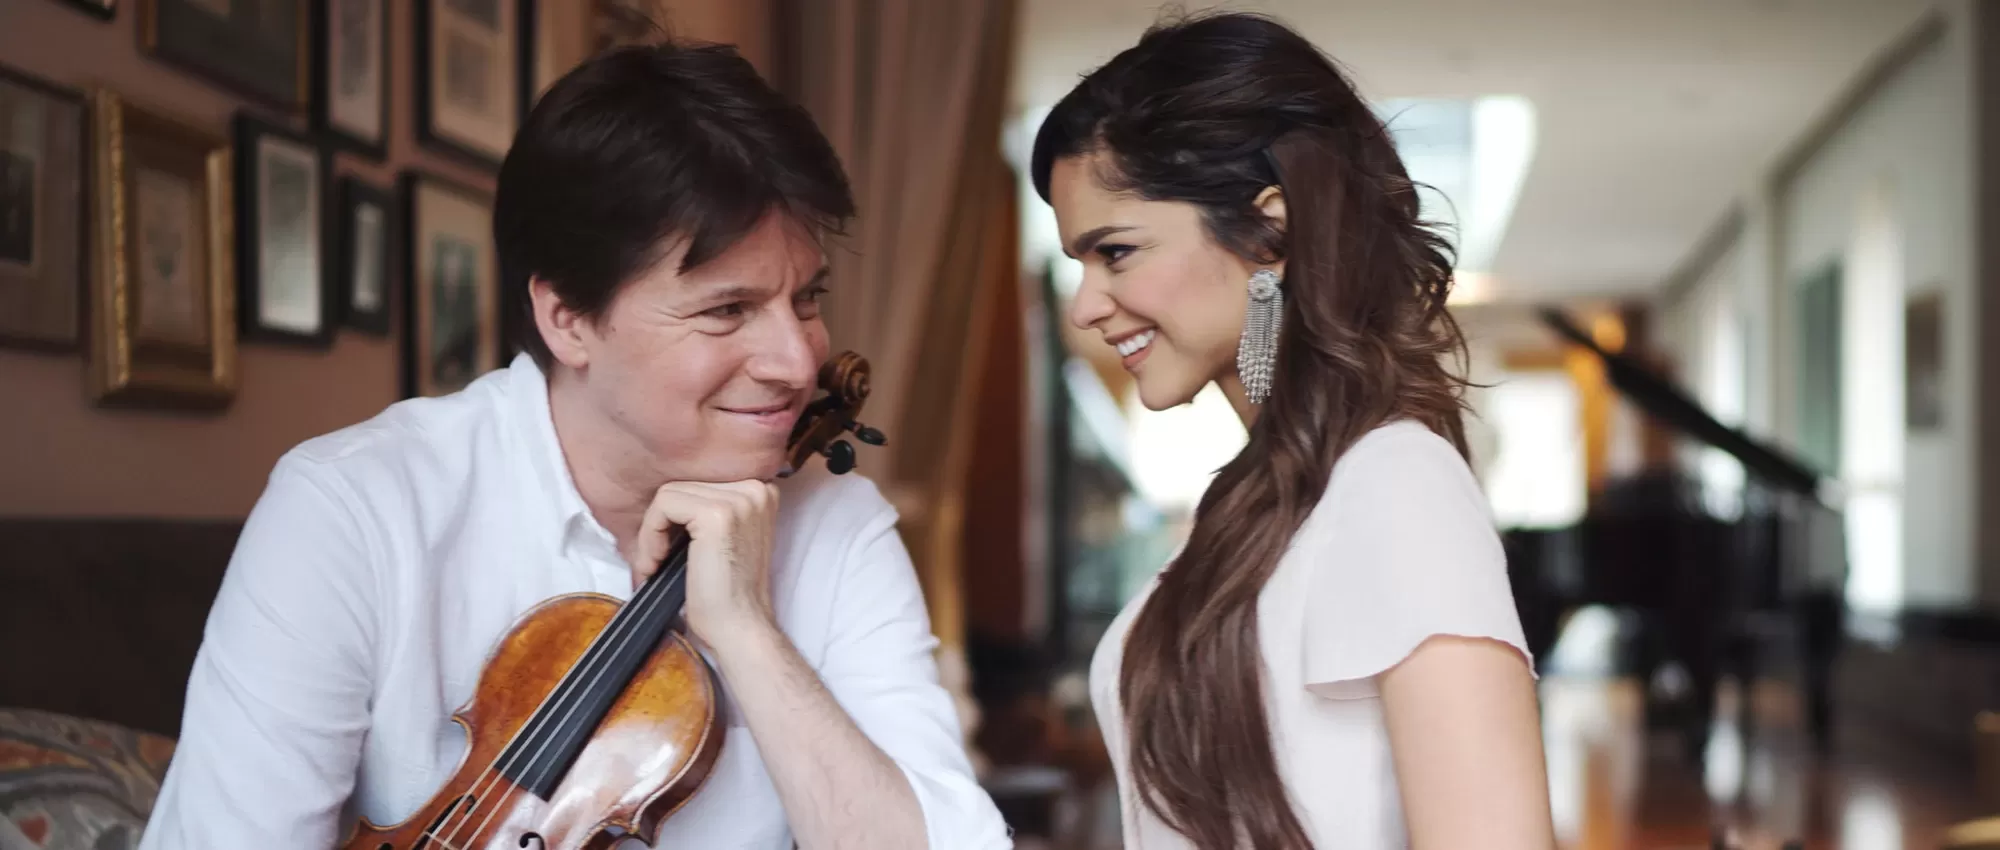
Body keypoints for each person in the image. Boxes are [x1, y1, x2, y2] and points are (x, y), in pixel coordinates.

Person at [138, 39, 1011, 850]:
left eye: (808, 300)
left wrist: (746, 631)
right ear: (568, 319)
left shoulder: (836, 527)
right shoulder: (354, 510)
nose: (796, 360)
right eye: (726, 310)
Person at [1030, 12, 1555, 850]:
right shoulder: (1257, 501)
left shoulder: (1395, 482)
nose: (1085, 305)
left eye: (1116, 252)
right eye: (1078, 264)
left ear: (1271, 227)